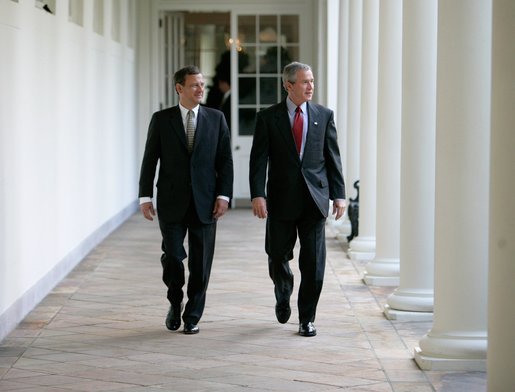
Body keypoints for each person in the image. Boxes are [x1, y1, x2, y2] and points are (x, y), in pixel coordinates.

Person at [249, 61, 346, 337]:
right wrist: (258, 194)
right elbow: (258, 160)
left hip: (315, 200)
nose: (310, 86)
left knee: (314, 264)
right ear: (288, 85)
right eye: (305, 82)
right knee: (277, 255)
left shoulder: (324, 115)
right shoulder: (267, 118)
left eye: (312, 81)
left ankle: (307, 319)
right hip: (280, 200)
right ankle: (283, 290)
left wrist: (339, 195)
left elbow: (332, 158)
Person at [139, 65, 233, 335]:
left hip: (206, 202)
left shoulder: (216, 119)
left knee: (201, 263)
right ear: (179, 88)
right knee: (173, 257)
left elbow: (225, 161)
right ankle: (174, 300)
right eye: (194, 85)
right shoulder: (161, 119)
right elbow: (150, 160)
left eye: (202, 84)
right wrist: (145, 196)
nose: (201, 89)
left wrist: (223, 195)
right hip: (171, 201)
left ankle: (192, 315)